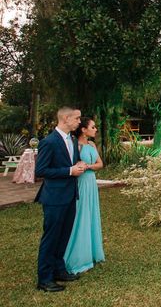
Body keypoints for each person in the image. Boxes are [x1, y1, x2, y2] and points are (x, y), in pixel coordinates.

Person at [35, 107, 86, 292]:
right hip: (54, 198)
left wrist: (79, 165)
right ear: (65, 118)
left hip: (70, 195)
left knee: (64, 236)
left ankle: (59, 270)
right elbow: (40, 170)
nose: (79, 122)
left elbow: (73, 162)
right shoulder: (49, 142)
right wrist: (69, 171)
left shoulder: (72, 139)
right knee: (51, 238)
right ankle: (44, 279)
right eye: (77, 118)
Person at [64, 117, 105, 274]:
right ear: (83, 129)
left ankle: (92, 251)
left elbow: (100, 164)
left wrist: (89, 166)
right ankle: (78, 256)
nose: (95, 129)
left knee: (91, 213)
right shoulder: (76, 146)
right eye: (93, 127)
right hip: (81, 182)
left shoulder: (92, 144)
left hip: (91, 182)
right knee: (80, 215)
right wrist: (82, 167)